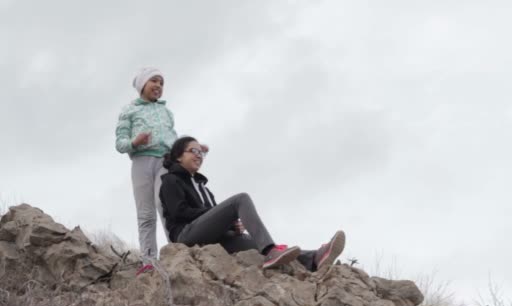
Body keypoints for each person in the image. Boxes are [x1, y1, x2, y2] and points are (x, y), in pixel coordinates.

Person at [159, 136, 345, 270]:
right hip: (185, 236)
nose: (199, 155)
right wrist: (221, 217)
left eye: (201, 152)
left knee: (256, 242)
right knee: (241, 199)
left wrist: (231, 227)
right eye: (193, 151)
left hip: (213, 239)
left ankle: (313, 258)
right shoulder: (170, 180)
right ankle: (271, 251)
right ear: (178, 157)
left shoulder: (204, 188)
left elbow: (209, 219)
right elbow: (179, 212)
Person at [115, 67, 203, 275]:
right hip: (141, 162)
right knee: (145, 213)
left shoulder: (166, 112)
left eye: (162, 83)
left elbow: (174, 139)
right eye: (154, 81)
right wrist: (135, 142)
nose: (158, 86)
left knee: (166, 207)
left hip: (165, 162)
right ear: (142, 84)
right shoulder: (129, 111)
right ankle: (148, 261)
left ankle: (176, 253)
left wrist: (191, 150)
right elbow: (120, 144)